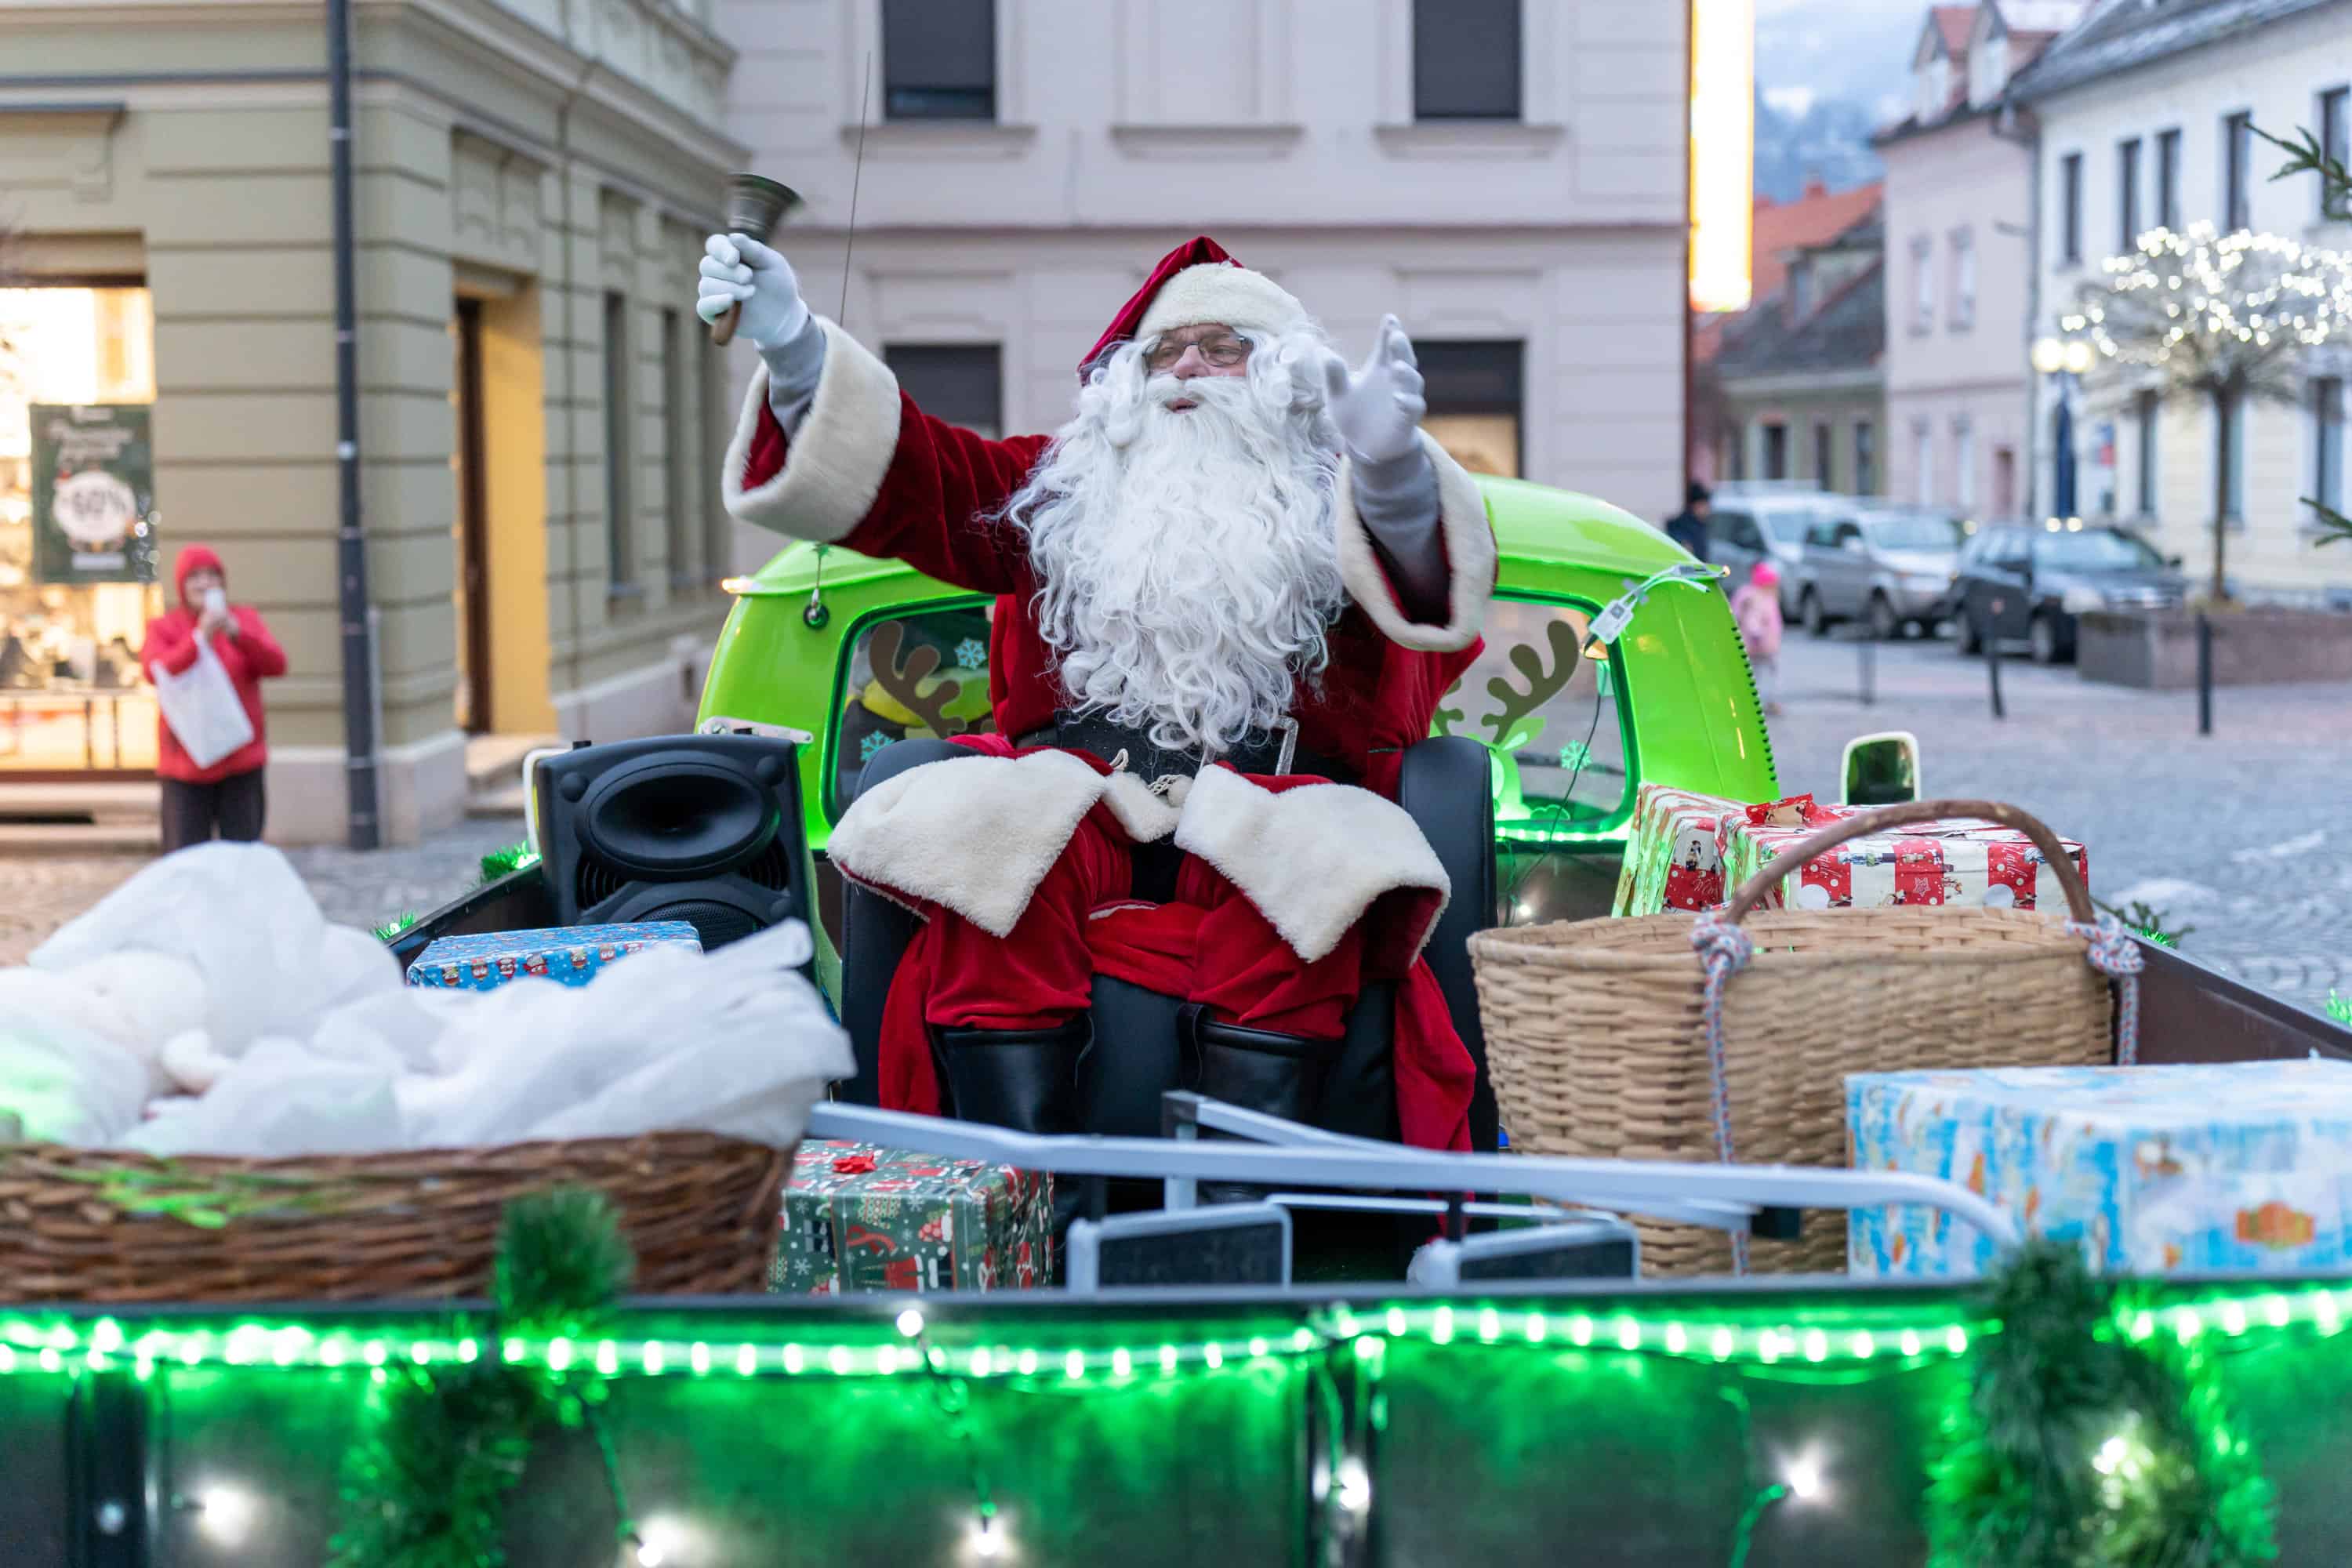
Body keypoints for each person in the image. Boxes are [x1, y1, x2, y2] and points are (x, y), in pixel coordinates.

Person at [699, 232, 1494, 1152]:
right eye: (1163, 348)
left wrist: (1393, 477)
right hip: (1080, 794)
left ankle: (1238, 1207)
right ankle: (1018, 1188)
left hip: (1274, 795)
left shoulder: (1330, 498)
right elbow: (926, 476)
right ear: (1127, 379)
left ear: (1281, 375)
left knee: (1301, 868)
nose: (1186, 365)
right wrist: (796, 349)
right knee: (990, 845)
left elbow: (1428, 590)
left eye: (1224, 346)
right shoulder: (1064, 487)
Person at [140, 545, 288, 851]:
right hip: (185, 769)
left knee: (243, 858)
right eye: (195, 576)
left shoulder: (244, 619)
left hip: (241, 764)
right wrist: (199, 639)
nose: (205, 583)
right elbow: (157, 672)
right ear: (182, 584)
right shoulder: (164, 628)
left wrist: (239, 635)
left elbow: (276, 665)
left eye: (212, 575)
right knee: (186, 861)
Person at [1730, 560, 1784, 717]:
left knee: (1758, 673)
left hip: (1760, 644)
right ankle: (1764, 701)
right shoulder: (1757, 598)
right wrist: (1757, 635)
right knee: (1763, 673)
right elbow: (1754, 621)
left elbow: (1736, 614)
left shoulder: (1755, 596)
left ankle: (1762, 701)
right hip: (1761, 644)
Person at [1664, 480, 1711, 561]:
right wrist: (1682, 542)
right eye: (1704, 506)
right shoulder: (1683, 524)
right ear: (1697, 505)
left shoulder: (1700, 523)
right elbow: (1672, 532)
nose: (1707, 510)